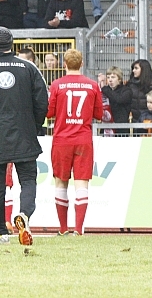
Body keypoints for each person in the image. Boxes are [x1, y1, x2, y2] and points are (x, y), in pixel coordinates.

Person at [0, 27, 49, 246]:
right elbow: (42, 101)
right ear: (12, 44)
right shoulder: (28, 67)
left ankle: (1, 233)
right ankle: (24, 215)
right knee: (28, 179)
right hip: (24, 133)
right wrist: (34, 126)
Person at [46, 49, 103, 236]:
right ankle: (79, 229)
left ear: (64, 64)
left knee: (61, 183)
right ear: (82, 64)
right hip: (83, 139)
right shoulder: (92, 85)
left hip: (62, 140)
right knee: (82, 185)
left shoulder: (57, 85)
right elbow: (99, 114)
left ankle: (63, 229)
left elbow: (49, 112)